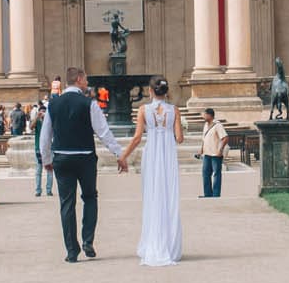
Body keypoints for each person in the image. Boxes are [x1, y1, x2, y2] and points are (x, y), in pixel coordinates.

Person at [39, 66, 127, 262]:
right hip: (85, 157)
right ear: (78, 79)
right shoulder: (89, 103)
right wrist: (119, 154)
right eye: (85, 79)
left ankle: (71, 250)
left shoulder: (54, 104)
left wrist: (46, 160)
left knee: (67, 204)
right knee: (90, 197)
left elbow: (45, 136)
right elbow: (103, 132)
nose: (87, 82)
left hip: (62, 157)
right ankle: (87, 240)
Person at [119, 76, 182, 267]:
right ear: (166, 92)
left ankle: (153, 243)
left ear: (150, 91)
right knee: (169, 195)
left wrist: (123, 156)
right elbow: (179, 138)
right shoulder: (175, 110)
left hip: (152, 153)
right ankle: (170, 246)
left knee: (153, 196)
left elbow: (137, 137)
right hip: (168, 155)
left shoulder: (143, 110)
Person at [197, 107, 227, 198]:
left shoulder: (218, 125)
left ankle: (216, 194)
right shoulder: (205, 125)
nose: (203, 116)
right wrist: (201, 150)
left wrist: (220, 150)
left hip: (215, 154)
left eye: (205, 114)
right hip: (207, 154)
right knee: (205, 174)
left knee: (216, 174)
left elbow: (225, 138)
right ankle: (208, 194)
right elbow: (204, 139)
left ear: (210, 115)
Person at [31, 99, 53, 198]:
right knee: (38, 171)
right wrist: (37, 117)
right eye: (41, 112)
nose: (43, 114)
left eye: (44, 112)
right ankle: (38, 190)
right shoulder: (38, 122)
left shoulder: (49, 121)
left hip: (49, 148)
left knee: (50, 170)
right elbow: (31, 127)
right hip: (38, 148)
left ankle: (49, 190)